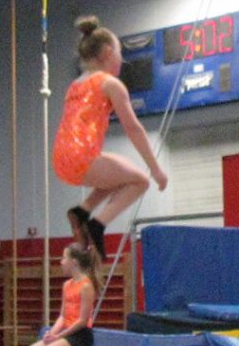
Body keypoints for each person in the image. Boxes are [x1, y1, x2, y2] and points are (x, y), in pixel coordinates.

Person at [52, 16, 167, 253]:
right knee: (140, 181)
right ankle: (97, 224)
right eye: (119, 53)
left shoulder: (75, 85)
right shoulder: (110, 84)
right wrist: (155, 169)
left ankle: (83, 210)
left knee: (120, 173)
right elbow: (133, 128)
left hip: (61, 160)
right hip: (82, 157)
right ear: (106, 52)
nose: (121, 60)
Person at [23, 244, 99, 346]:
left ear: (74, 262)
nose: (61, 262)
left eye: (64, 258)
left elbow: (83, 321)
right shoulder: (67, 285)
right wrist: (52, 334)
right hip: (65, 333)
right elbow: (63, 316)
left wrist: (58, 337)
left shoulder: (86, 286)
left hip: (80, 336)